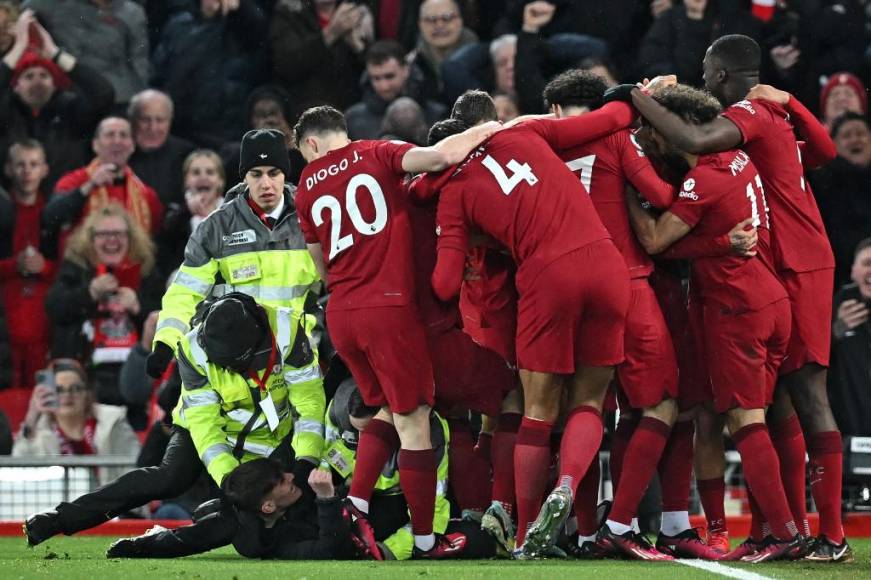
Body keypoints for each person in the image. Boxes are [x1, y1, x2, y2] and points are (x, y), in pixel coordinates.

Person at [625, 34, 848, 562]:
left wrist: (635, 97)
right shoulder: (768, 121)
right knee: (777, 408)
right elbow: (825, 151)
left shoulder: (749, 114)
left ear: (722, 75)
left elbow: (694, 141)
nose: (703, 81)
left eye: (705, 72)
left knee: (806, 398)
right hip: (783, 263)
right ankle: (783, 528)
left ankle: (830, 536)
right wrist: (792, 103)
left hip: (792, 264)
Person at [428, 98, 640, 558]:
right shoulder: (524, 133)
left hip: (548, 277)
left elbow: (445, 284)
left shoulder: (454, 191)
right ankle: (566, 483)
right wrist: (638, 94)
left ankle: (525, 534)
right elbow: (614, 118)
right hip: (607, 263)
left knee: (537, 411)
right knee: (589, 401)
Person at [293, 105, 498, 558]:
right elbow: (439, 158)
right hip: (387, 309)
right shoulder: (375, 153)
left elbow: (320, 264)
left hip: (343, 314)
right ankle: (425, 542)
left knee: (386, 408)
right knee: (415, 419)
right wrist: (490, 128)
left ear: (309, 144)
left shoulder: (305, 187)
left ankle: (357, 502)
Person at [23, 293, 324, 549]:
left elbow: (309, 404)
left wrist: (305, 461)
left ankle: (151, 543)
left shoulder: (288, 332)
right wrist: (231, 481)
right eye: (228, 364)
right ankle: (60, 519)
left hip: (273, 437)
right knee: (170, 477)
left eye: (241, 362)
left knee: (254, 529)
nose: (236, 370)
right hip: (203, 430)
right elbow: (205, 424)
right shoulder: (193, 348)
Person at [147, 129, 321, 383]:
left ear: (285, 174)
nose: (266, 184)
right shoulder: (217, 228)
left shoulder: (313, 219)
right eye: (256, 174)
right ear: (244, 176)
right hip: (236, 366)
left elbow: (340, 283)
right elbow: (185, 291)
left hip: (298, 363)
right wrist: (165, 343)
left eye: (273, 173)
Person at [44, 203, 163, 423]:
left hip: (135, 381)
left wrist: (138, 307)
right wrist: (89, 292)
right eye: (104, 234)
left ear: (131, 238)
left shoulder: (146, 271)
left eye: (119, 234)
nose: (112, 240)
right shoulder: (75, 269)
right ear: (90, 239)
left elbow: (167, 317)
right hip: (86, 381)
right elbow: (54, 308)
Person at [107, 458, 359, 560]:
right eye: (283, 480)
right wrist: (327, 499)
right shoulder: (258, 539)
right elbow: (332, 550)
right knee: (209, 525)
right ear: (268, 506)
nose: (292, 476)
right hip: (228, 519)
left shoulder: (291, 484)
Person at [0, 8, 114, 192]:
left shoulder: (70, 107)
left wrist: (55, 54)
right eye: (29, 76)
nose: (37, 82)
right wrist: (18, 48)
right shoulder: (6, 110)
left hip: (63, 199)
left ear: (55, 83)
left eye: (44, 75)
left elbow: (104, 94)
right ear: (16, 86)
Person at [152, 0, 269, 149]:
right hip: (182, 124)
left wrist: (239, 9)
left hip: (224, 126)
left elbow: (257, 33)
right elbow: (160, 69)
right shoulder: (178, 23)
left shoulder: (244, 21)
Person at [43, 116, 164, 257]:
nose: (117, 141)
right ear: (95, 145)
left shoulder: (146, 194)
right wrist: (90, 186)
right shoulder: (74, 181)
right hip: (83, 272)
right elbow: (50, 218)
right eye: (110, 135)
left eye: (123, 135)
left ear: (132, 146)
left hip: (130, 272)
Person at [13, 358, 140, 484]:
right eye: (59, 390)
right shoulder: (38, 432)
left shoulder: (112, 422)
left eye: (75, 388)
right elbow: (19, 476)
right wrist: (31, 416)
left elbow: (137, 473)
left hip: (111, 502)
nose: (67, 395)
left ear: (87, 394)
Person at [0, 140, 54, 388]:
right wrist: (15, 265)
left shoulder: (55, 212)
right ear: (8, 169)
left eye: (33, 164)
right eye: (20, 165)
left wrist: (44, 267)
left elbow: (70, 267)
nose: (27, 171)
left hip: (43, 322)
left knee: (45, 393)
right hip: (7, 315)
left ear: (45, 169)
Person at [23, 0, 148, 106]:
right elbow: (23, 8)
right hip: (73, 94)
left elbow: (140, 64)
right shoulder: (53, 6)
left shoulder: (131, 13)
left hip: (119, 97)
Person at [270, 0, 372, 120]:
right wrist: (331, 33)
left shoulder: (357, 12)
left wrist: (357, 46)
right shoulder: (289, 12)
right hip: (306, 110)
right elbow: (287, 64)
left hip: (352, 108)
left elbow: (373, 66)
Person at [811, 112, 871, 288]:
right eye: (846, 135)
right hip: (840, 280)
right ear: (833, 145)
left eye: (860, 133)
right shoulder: (822, 184)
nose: (855, 140)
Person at [345, 40, 446, 140]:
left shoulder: (437, 116)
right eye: (376, 78)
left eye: (389, 76)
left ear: (406, 70)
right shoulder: (353, 119)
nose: (384, 86)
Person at [156, 149, 226, 277]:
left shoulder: (234, 212)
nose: (203, 177)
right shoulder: (175, 214)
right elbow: (164, 251)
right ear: (186, 180)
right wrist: (187, 211)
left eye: (210, 172)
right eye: (196, 172)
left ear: (220, 181)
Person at [830, 238, 871, 437]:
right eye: (867, 263)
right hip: (847, 432)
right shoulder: (835, 306)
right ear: (854, 270)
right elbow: (804, 360)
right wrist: (836, 331)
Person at [127, 89, 195, 208]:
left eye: (160, 120)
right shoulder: (119, 153)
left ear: (170, 121)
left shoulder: (186, 154)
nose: (153, 128)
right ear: (132, 121)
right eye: (145, 120)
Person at [408, 0, 478, 104]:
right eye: (431, 20)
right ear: (420, 24)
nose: (439, 25)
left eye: (447, 18)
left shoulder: (483, 60)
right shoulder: (411, 66)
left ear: (460, 20)